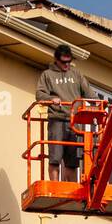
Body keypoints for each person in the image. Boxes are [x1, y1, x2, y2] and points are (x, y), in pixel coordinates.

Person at [36, 45, 92, 182]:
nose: (67, 64)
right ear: (56, 59)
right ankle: (55, 185)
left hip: (74, 121)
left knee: (72, 161)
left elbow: (89, 93)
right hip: (57, 119)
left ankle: (71, 188)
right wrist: (50, 99)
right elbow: (39, 94)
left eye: (69, 61)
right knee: (55, 158)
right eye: (63, 62)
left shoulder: (76, 74)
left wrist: (102, 106)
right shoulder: (47, 75)